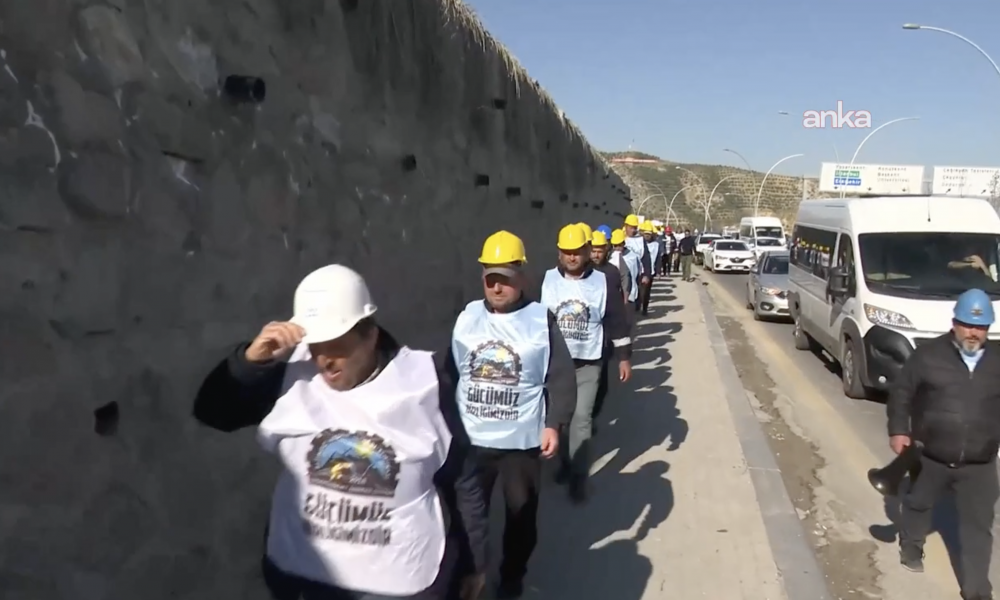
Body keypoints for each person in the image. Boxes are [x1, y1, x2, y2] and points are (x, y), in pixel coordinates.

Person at [192, 265, 488, 600]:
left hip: (398, 585)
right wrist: (249, 363)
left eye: (338, 346)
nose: (324, 361)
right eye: (317, 346)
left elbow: (463, 478)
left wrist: (473, 562)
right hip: (303, 577)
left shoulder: (425, 383)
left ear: (370, 335)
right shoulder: (292, 376)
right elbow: (212, 413)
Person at [449, 231, 577, 599]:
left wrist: (554, 424)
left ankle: (512, 576)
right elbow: (450, 371)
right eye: (491, 278)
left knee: (520, 516)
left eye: (505, 278)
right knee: (466, 517)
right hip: (472, 440)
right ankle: (470, 576)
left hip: (520, 443)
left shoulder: (541, 320)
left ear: (521, 275)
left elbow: (561, 376)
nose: (497, 286)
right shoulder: (468, 317)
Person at [887, 288, 1000, 600]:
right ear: (954, 323)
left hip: (980, 462)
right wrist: (899, 431)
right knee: (919, 503)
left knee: (978, 527)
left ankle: (977, 589)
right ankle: (911, 546)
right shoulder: (928, 355)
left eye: (980, 327)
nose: (973, 332)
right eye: (967, 324)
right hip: (931, 453)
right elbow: (901, 394)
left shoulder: (997, 360)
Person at [540, 224, 632, 503]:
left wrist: (624, 358)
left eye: (576, 252)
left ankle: (578, 477)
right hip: (554, 366)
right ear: (559, 253)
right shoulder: (545, 280)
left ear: (586, 252)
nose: (571, 257)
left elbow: (616, 320)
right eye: (566, 252)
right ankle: (564, 465)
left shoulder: (602, 280)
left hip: (589, 362)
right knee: (559, 421)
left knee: (582, 420)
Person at [589, 230, 628, 432]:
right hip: (581, 339)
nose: (595, 255)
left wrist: (623, 353)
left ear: (606, 250)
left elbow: (616, 311)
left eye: (599, 250)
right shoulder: (581, 273)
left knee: (600, 386)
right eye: (592, 250)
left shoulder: (611, 273)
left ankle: (590, 415)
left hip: (603, 339)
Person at [622, 214, 652, 312]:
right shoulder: (620, 236)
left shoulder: (640, 240)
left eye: (635, 228)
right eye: (631, 228)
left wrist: (647, 274)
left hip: (637, 274)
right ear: (626, 226)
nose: (633, 230)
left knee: (637, 297)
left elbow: (646, 258)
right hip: (622, 273)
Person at [610, 228, 640, 313]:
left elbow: (638, 273)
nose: (617, 248)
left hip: (630, 293)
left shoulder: (633, 256)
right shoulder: (610, 257)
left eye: (619, 245)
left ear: (624, 244)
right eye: (615, 245)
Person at [637, 221, 660, 315]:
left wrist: (658, 272)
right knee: (638, 290)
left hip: (650, 272)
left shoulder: (656, 245)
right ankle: (637, 307)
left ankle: (644, 309)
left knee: (646, 292)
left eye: (649, 234)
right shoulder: (638, 244)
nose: (647, 236)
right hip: (638, 271)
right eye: (645, 234)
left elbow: (658, 259)